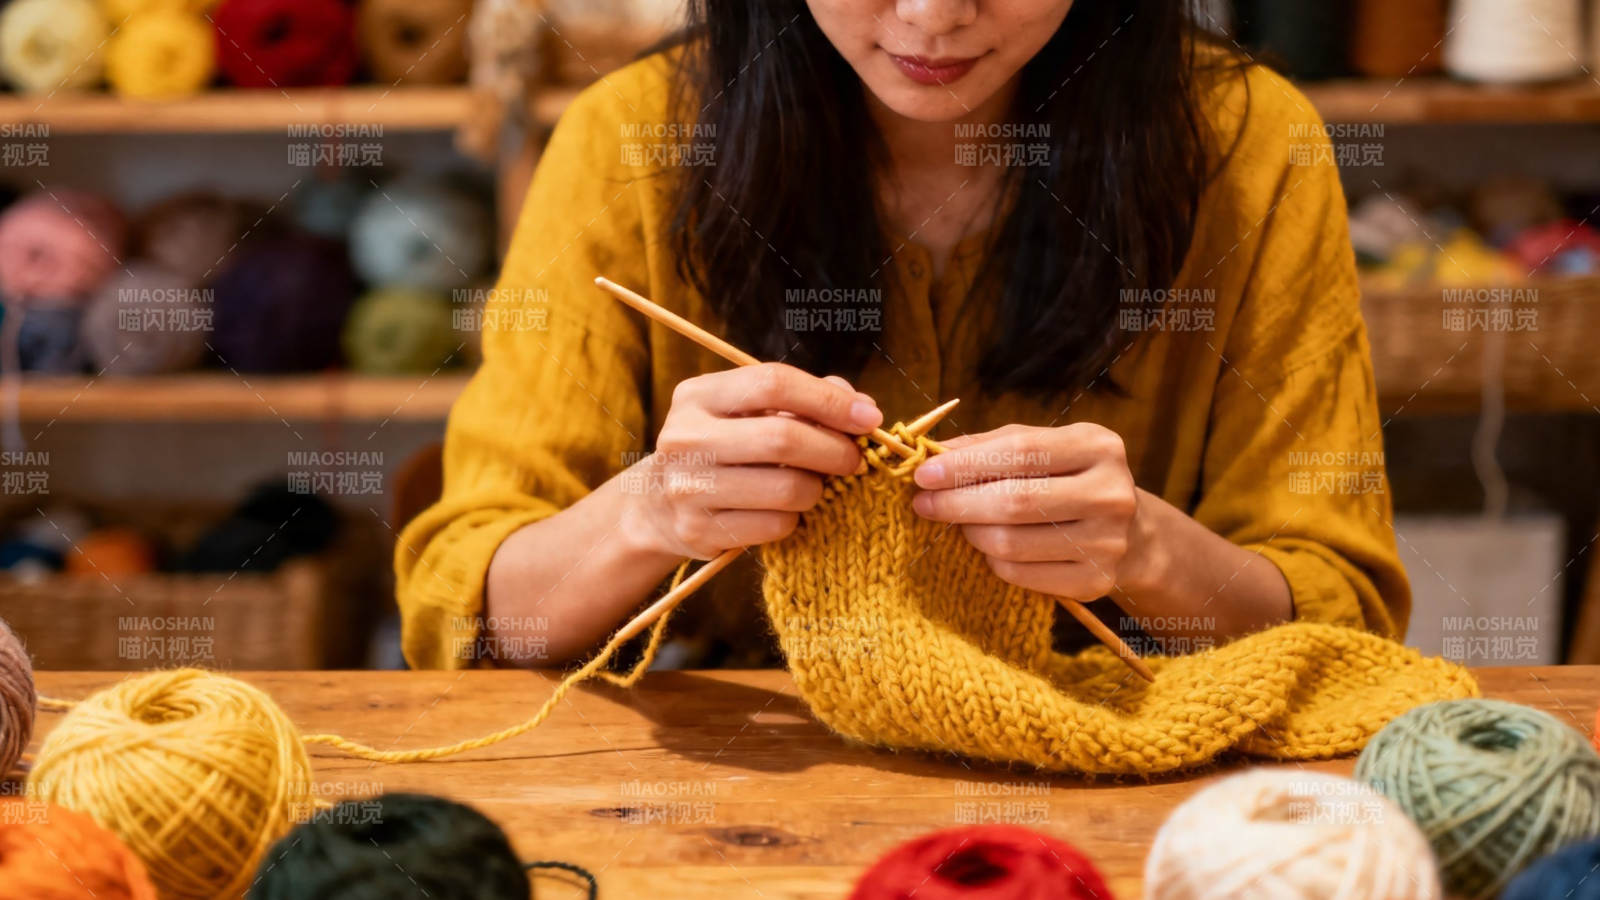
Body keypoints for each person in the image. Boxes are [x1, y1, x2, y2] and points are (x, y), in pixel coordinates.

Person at [397, 0, 1408, 670]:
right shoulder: (630, 141)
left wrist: (1147, 550)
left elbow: (1343, 627)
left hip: (1127, 783)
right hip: (745, 796)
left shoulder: (1250, 148)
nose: (932, 14)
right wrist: (651, 512)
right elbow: (467, 615)